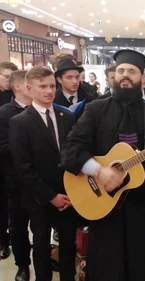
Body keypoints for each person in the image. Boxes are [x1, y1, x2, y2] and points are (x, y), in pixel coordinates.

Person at [60, 49, 145, 281]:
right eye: (120, 71)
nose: (125, 75)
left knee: (140, 264)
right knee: (105, 264)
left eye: (131, 71)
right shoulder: (95, 110)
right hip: (101, 200)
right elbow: (70, 150)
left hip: (142, 204)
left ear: (143, 77)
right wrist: (98, 170)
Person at [9, 66, 78, 281]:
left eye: (52, 86)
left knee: (68, 243)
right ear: (29, 88)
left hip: (67, 194)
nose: (49, 91)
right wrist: (50, 196)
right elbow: (23, 167)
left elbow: (73, 153)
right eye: (43, 86)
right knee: (40, 245)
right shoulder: (20, 122)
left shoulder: (66, 116)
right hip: (39, 197)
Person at [0, 70, 31, 281]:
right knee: (19, 226)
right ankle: (22, 265)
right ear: (18, 86)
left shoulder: (45, 109)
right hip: (16, 181)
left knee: (43, 224)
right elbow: (2, 147)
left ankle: (45, 257)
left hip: (45, 179)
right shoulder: (4, 113)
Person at [0, 60, 18, 260]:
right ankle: (3, 241)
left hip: (14, 164)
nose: (10, 82)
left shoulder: (17, 97)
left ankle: (14, 237)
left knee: (15, 206)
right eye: (6, 77)